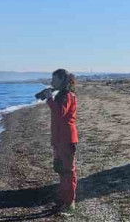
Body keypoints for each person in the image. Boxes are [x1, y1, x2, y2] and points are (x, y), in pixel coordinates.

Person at [46, 69, 78, 212]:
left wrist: (49, 99)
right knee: (60, 169)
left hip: (66, 139)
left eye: (54, 79)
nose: (51, 82)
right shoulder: (61, 95)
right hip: (59, 139)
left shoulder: (67, 96)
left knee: (68, 171)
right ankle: (65, 199)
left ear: (62, 80)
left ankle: (70, 203)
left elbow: (60, 113)